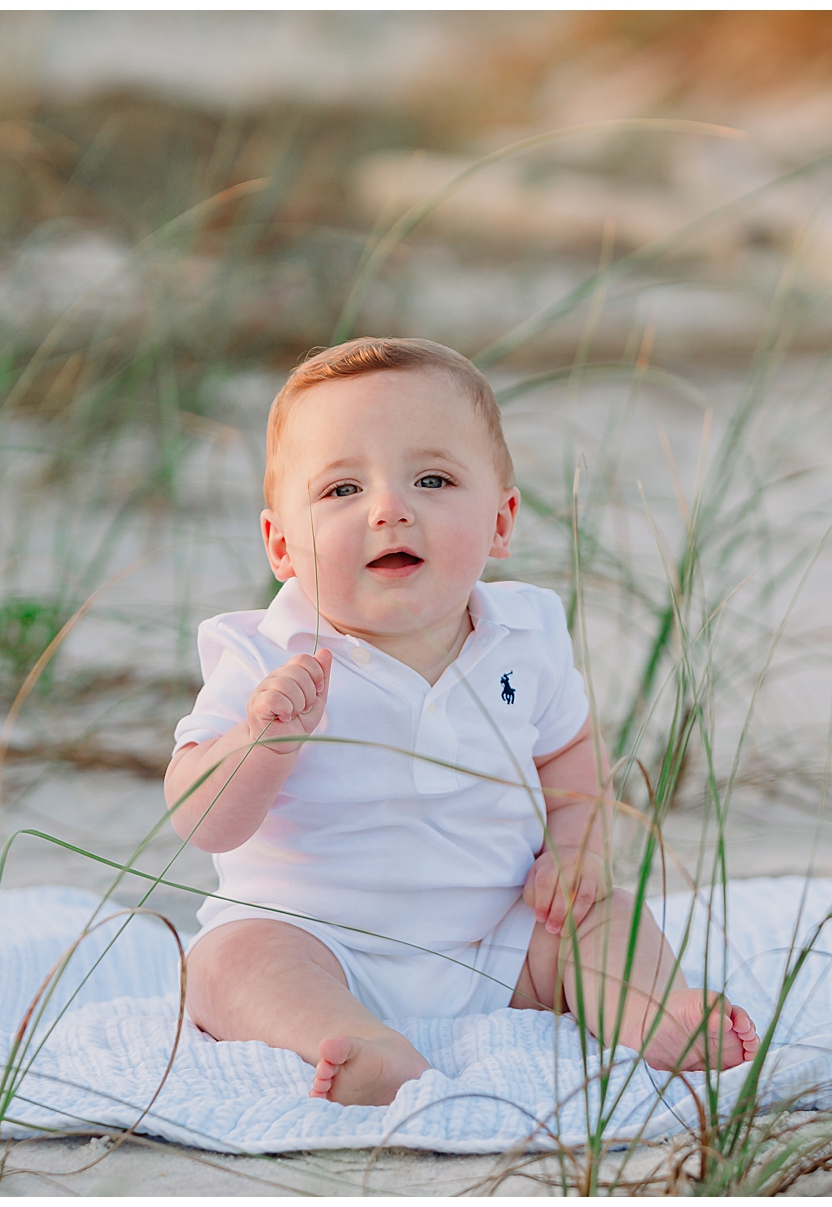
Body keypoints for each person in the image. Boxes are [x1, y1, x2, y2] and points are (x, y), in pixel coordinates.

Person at [164, 337, 760, 1106]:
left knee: (606, 916)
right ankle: (359, 1043)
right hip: (321, 940)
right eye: (342, 490)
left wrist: (578, 852)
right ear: (281, 544)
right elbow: (199, 817)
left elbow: (570, 747)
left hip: (503, 940)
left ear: (502, 522)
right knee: (226, 964)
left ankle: (654, 1010)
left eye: (433, 478)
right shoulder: (263, 655)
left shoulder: (528, 633)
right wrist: (260, 742)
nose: (390, 507)